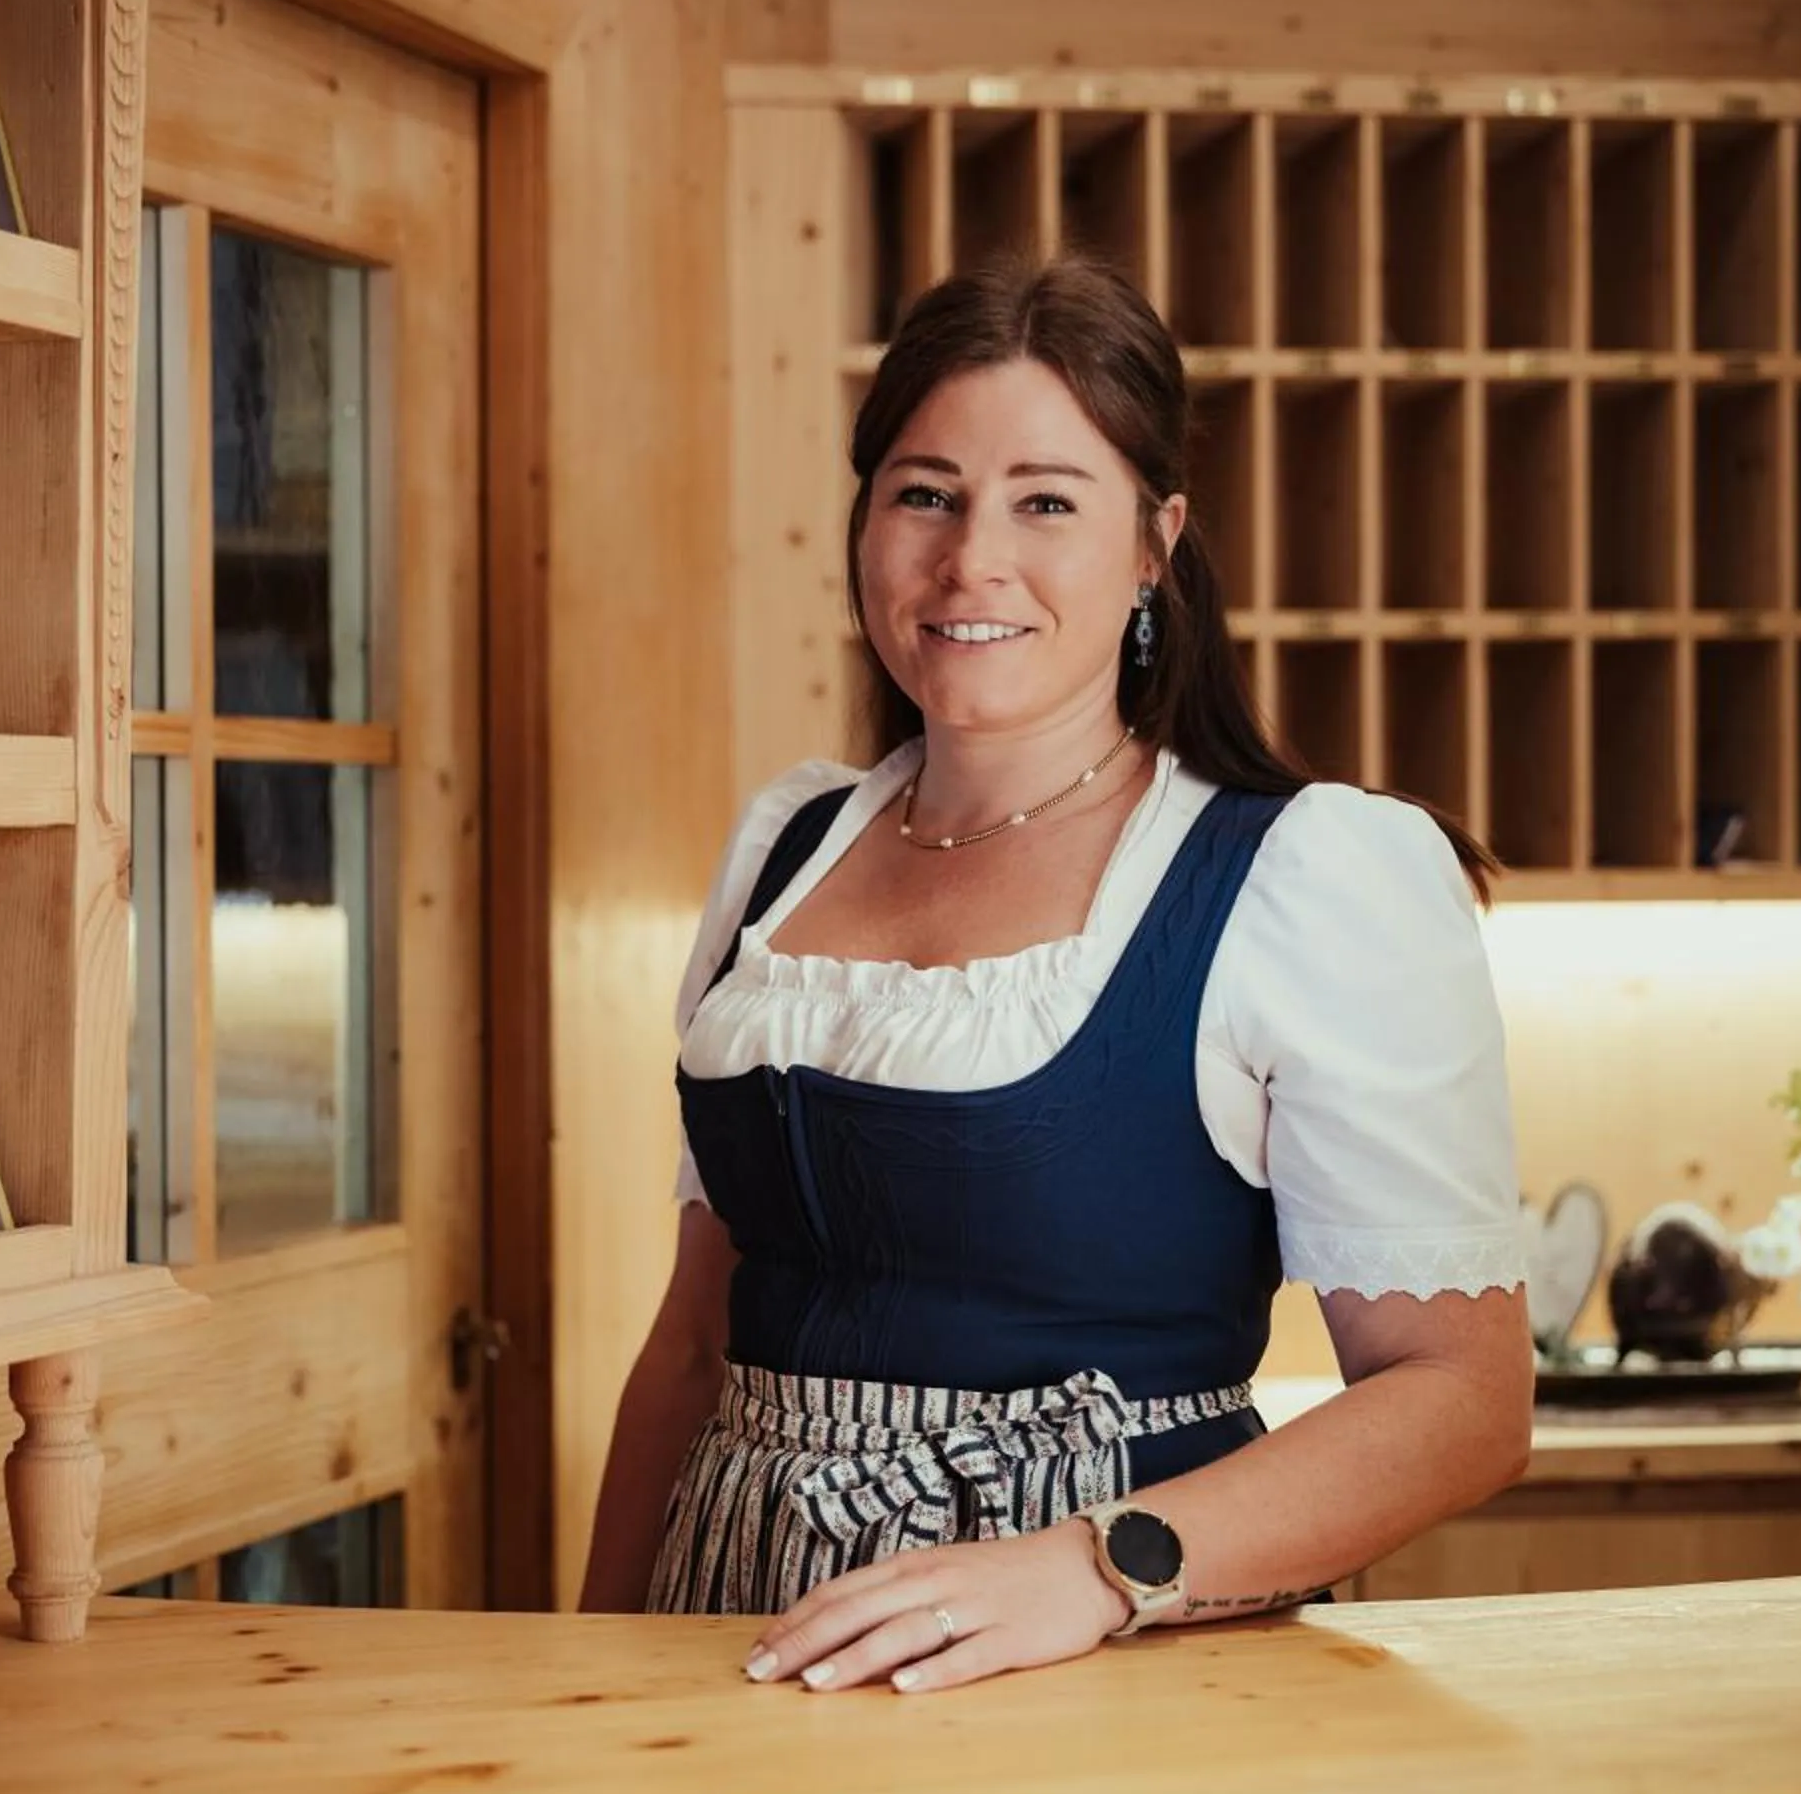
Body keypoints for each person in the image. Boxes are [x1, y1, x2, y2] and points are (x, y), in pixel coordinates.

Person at [577, 257, 1534, 1695]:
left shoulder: (1304, 875)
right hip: (736, 1636)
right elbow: (696, 1337)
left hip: (1098, 1665)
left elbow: (1464, 1402)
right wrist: (587, 1671)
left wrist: (1095, 1568)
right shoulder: (786, 842)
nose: (972, 562)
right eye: (924, 493)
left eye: (1046, 500)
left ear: (1155, 544)